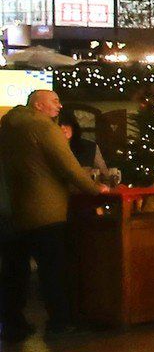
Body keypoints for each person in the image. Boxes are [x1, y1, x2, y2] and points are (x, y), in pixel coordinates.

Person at [0, 88, 103, 339]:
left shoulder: (7, 125)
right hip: (46, 210)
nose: (59, 107)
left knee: (15, 271)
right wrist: (95, 189)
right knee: (54, 270)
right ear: (38, 105)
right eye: (55, 102)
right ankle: (61, 323)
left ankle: (13, 323)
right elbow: (68, 167)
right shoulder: (44, 128)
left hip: (13, 208)